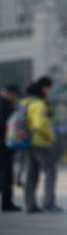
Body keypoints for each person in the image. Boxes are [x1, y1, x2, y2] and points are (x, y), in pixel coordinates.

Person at [21, 76, 62, 213]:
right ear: (44, 88)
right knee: (50, 172)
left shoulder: (26, 102)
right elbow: (40, 124)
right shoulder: (39, 104)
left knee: (31, 174)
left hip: (28, 142)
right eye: (49, 88)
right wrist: (51, 136)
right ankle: (48, 203)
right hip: (41, 142)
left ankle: (30, 204)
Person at [0, 84, 22, 212]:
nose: (16, 98)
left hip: (4, 147)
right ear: (9, 93)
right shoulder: (5, 107)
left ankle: (7, 202)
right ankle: (7, 203)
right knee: (6, 175)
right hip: (4, 147)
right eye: (15, 95)